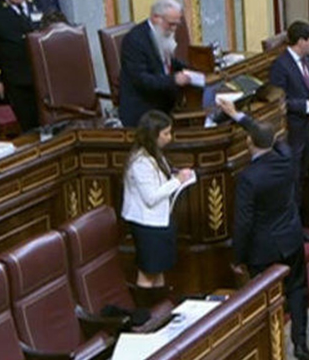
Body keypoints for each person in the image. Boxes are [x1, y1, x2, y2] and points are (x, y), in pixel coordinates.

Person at [227, 111, 309, 360]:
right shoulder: (287, 160)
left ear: (248, 142)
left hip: (263, 249)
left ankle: (271, 352)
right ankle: (301, 344)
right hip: (291, 238)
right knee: (297, 290)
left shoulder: (248, 178)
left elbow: (243, 222)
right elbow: (274, 140)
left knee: (265, 300)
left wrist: (237, 256)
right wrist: (242, 117)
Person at [121, 110, 195, 289]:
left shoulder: (155, 153)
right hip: (147, 224)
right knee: (148, 273)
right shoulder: (140, 162)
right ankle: (147, 309)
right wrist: (177, 181)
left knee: (159, 270)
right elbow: (151, 197)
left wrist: (177, 176)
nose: (170, 137)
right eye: (166, 133)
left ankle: (160, 308)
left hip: (160, 221)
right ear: (154, 135)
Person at [270, 20, 309, 204]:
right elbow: (279, 101)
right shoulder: (281, 65)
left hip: (307, 127)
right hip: (292, 130)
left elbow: (307, 89)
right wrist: (306, 104)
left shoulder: (307, 61)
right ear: (301, 41)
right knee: (293, 179)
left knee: (304, 176)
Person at [0, 0, 58, 131]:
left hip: (44, 76)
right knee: (30, 126)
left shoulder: (40, 5)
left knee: (54, 122)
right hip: (16, 78)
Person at [118, 0, 190, 128]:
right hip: (144, 111)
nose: (174, 29)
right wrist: (174, 80)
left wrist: (191, 69)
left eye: (176, 25)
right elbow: (142, 80)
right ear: (156, 17)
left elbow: (166, 62)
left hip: (164, 103)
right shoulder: (135, 40)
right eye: (171, 24)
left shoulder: (160, 33)